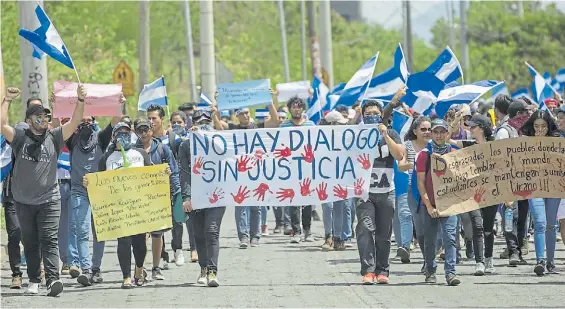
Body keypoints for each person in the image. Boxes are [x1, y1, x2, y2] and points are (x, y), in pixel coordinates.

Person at [1, 85, 87, 296]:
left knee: (49, 239)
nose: (44, 119)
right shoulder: (20, 137)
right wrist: (7, 100)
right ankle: (33, 280)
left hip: (49, 199)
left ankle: (53, 280)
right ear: (29, 121)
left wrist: (80, 101)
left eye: (46, 116)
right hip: (22, 200)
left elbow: (75, 122)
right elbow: (2, 124)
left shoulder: (55, 136)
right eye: (39, 116)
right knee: (30, 242)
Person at [85, 122, 155, 288]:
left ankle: (139, 268)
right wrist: (89, 182)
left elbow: (152, 175)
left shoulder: (140, 154)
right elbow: (99, 181)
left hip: (139, 206)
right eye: (120, 133)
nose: (123, 136)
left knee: (139, 243)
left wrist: (162, 173)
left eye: (126, 133)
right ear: (113, 136)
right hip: (118, 208)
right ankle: (126, 277)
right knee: (123, 241)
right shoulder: (107, 158)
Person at [356, 98, 405, 285]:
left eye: (375, 114)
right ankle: (368, 271)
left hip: (386, 191)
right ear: (362, 116)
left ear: (381, 115)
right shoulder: (355, 135)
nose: (372, 117)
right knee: (366, 229)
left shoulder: (391, 133)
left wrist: (385, 135)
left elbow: (400, 155)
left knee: (384, 234)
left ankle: (382, 270)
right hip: (364, 192)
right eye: (368, 114)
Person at [179, 109, 226, 287]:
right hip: (196, 196)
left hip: (216, 195)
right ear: (193, 124)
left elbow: (233, 148)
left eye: (206, 121)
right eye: (199, 121)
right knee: (198, 234)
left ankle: (213, 271)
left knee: (211, 231)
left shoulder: (219, 142)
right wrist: (186, 197)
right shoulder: (185, 146)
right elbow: (184, 174)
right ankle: (203, 268)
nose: (202, 125)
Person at [1, 96, 44, 289]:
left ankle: (37, 271)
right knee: (15, 233)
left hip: (35, 195)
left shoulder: (44, 138)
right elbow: (3, 125)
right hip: (12, 194)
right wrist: (7, 101)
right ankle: (17, 273)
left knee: (35, 235)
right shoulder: (15, 138)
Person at [448, 113, 499, 275]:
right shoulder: (468, 145)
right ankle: (479, 262)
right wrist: (455, 121)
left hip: (491, 193)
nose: (469, 128)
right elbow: (447, 139)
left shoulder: (496, 146)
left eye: (473, 126)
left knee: (488, 228)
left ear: (482, 129)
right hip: (473, 193)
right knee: (477, 225)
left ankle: (489, 258)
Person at [134, 118, 181, 279]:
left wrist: (176, 192)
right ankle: (140, 268)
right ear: (135, 132)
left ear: (151, 131)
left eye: (146, 129)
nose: (143, 133)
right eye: (139, 130)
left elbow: (174, 171)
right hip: (137, 199)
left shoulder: (162, 149)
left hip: (158, 198)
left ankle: (155, 267)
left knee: (156, 234)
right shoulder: (131, 151)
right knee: (140, 235)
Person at [416, 118, 461, 286]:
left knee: (450, 239)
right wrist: (428, 206)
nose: (439, 135)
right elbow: (420, 183)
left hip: (449, 204)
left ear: (447, 133)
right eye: (436, 132)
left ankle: (451, 273)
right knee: (430, 241)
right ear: (431, 134)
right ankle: (430, 270)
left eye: (443, 131)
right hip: (430, 204)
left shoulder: (454, 152)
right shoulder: (423, 155)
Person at [265, 95, 316, 243]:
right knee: (294, 200)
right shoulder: (284, 127)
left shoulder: (311, 125)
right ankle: (296, 231)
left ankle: (308, 230)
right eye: (293, 106)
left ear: (303, 108)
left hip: (307, 168)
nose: (296, 108)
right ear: (289, 109)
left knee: (307, 200)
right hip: (291, 169)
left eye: (299, 106)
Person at [521, 110, 562, 275]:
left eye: (543, 126)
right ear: (532, 126)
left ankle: (551, 261)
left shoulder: (558, 142)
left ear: (549, 126)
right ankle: (540, 260)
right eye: (536, 126)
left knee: (551, 225)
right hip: (534, 187)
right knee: (539, 223)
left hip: (553, 187)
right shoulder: (524, 144)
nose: (539, 129)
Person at [397, 116, 431, 268]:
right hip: (414, 190)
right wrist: (418, 164)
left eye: (429, 129)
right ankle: (426, 260)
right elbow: (401, 166)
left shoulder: (433, 146)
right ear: (415, 131)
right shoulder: (407, 145)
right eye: (423, 129)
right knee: (421, 228)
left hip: (432, 190)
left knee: (432, 228)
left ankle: (433, 258)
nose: (427, 132)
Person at [227, 107, 262, 248]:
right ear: (237, 116)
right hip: (239, 174)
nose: (245, 115)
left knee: (256, 206)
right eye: (242, 113)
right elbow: (217, 124)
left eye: (247, 112)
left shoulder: (258, 129)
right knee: (240, 206)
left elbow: (274, 122)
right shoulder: (233, 129)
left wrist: (270, 101)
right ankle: (243, 236)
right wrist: (218, 104)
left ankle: (255, 236)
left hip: (256, 173)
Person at [319, 111, 354, 251]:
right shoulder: (319, 139)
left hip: (343, 177)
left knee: (340, 207)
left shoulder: (347, 139)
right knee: (328, 206)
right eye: (340, 124)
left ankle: (339, 238)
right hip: (325, 178)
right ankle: (328, 236)